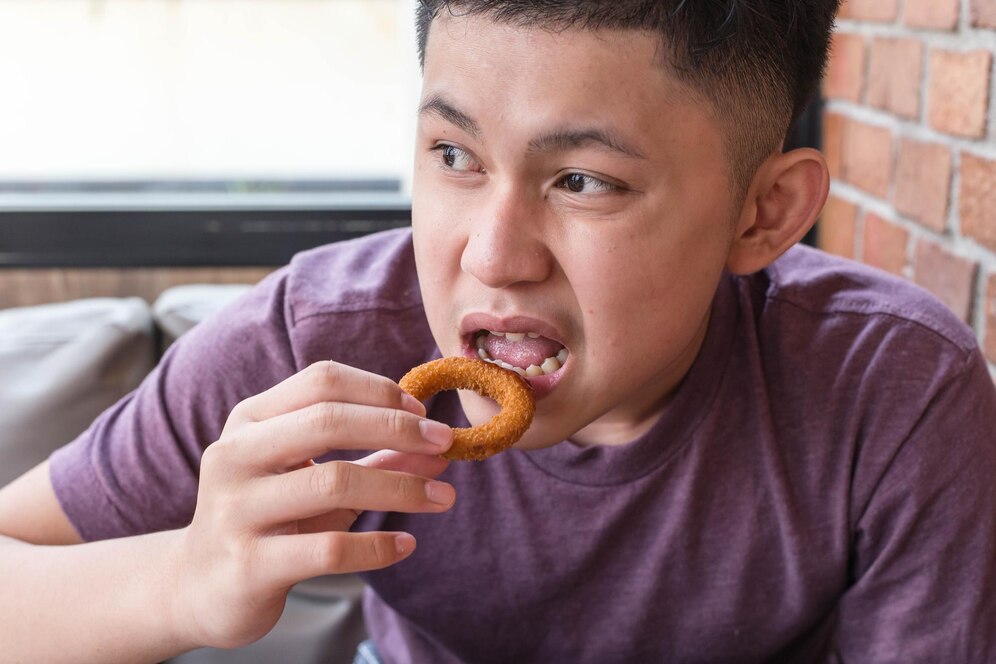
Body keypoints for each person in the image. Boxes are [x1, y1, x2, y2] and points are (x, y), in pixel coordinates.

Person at [2, 0, 995, 661]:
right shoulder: (313, 342)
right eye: (454, 154)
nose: (491, 255)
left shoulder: (897, 388)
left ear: (764, 214)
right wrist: (182, 579)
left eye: (583, 181)